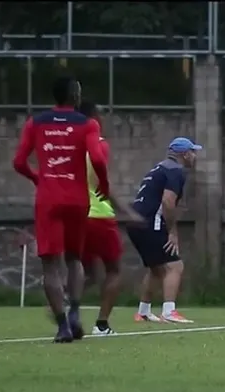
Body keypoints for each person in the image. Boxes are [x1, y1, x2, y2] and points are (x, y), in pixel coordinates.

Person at [12, 76, 109, 343]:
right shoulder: (87, 124)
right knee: (74, 259)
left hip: (48, 200)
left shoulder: (36, 123)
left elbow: (19, 161)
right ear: (75, 97)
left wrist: (36, 177)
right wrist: (105, 183)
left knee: (50, 266)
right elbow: (98, 157)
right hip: (77, 199)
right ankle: (76, 311)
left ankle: (62, 326)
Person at [76, 100, 144, 336]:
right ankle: (101, 325)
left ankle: (64, 305)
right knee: (114, 270)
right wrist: (127, 211)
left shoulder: (69, 146)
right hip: (100, 215)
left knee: (87, 273)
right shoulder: (99, 146)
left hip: (77, 215)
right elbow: (103, 185)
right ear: (94, 117)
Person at [127, 137, 199, 324]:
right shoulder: (175, 171)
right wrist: (172, 231)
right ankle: (169, 311)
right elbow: (167, 201)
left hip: (134, 221)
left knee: (157, 268)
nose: (195, 156)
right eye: (193, 152)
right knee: (174, 265)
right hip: (152, 221)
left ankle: (143, 312)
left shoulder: (158, 168)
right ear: (185, 154)